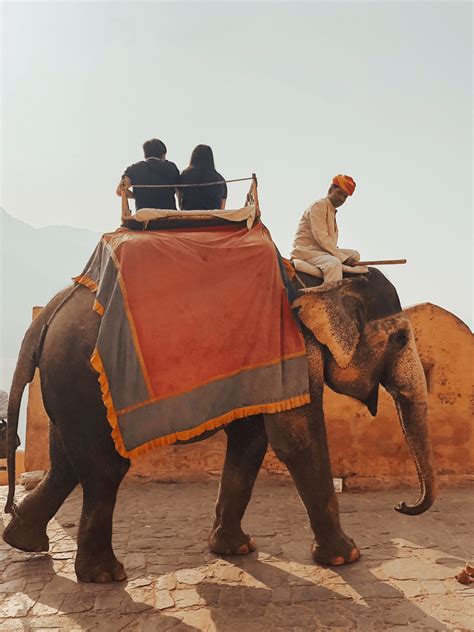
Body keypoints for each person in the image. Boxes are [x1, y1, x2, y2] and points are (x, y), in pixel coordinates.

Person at [291, 174, 363, 283]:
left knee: (355, 254)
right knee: (333, 263)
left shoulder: (331, 210)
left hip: (321, 251)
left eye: (345, 196)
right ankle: (330, 297)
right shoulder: (318, 206)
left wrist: (342, 256)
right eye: (340, 193)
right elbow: (321, 237)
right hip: (307, 252)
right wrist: (343, 258)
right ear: (330, 190)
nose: (341, 199)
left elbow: (329, 242)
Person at [116, 138, 180, 211]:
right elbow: (179, 190)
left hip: (144, 213)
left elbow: (120, 190)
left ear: (145, 154)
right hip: (169, 212)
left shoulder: (134, 168)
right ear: (163, 154)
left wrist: (137, 196)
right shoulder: (171, 167)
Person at [179, 145, 227, 210]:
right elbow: (222, 208)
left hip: (189, 216)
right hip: (213, 217)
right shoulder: (220, 179)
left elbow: (180, 199)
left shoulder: (185, 175)